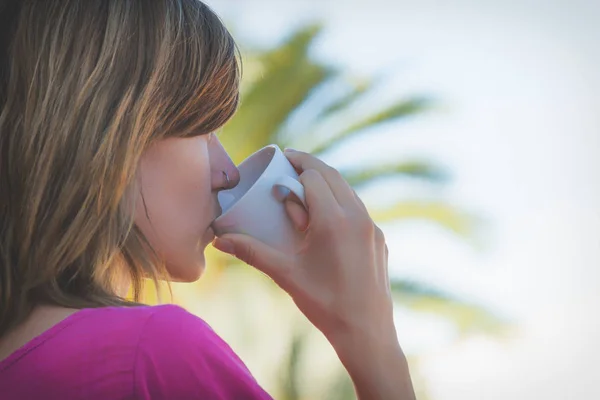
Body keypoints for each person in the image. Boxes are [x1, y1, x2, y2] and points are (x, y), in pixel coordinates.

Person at [0, 1, 416, 399]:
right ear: (111, 128)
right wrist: (373, 345)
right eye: (203, 130)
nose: (228, 173)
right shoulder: (151, 356)